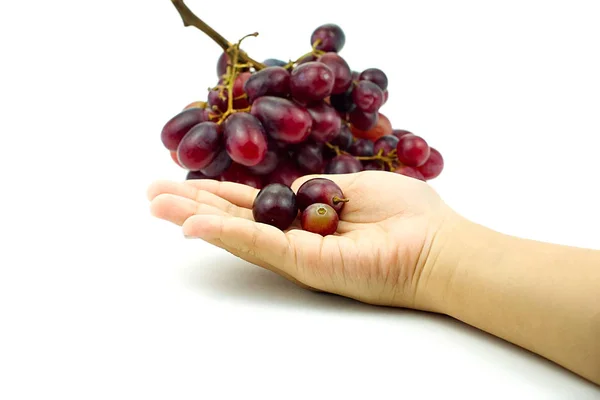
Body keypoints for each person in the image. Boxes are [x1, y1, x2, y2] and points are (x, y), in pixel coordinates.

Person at [147, 171, 600, 386]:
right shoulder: (315, 208)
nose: (325, 209)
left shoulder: (323, 208)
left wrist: (430, 253)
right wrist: (433, 253)